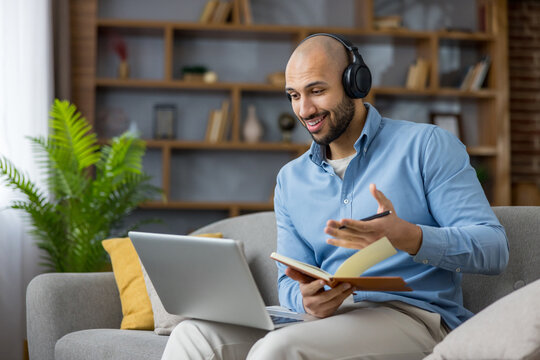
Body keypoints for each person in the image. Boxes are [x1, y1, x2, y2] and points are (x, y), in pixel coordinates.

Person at [161, 33, 509, 360]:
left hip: (413, 316)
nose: (304, 109)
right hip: (326, 321)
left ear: (355, 83)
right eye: (294, 95)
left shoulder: (426, 146)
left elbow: (494, 249)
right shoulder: (290, 179)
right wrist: (307, 300)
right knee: (192, 335)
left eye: (316, 91)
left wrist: (411, 237)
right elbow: (289, 281)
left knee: (277, 351)